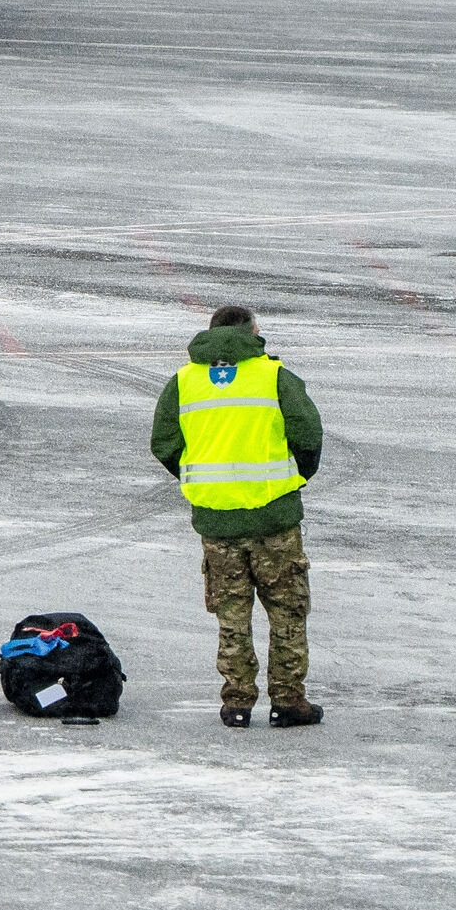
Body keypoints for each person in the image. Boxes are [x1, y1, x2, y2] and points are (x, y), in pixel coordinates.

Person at [148, 303, 326, 727]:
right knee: (286, 613)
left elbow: (164, 443)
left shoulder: (183, 382)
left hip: (215, 520)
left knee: (231, 617)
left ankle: (237, 704)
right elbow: (308, 433)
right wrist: (295, 476)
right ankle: (288, 702)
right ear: (252, 332)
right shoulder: (275, 376)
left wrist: (201, 480)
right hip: (275, 519)